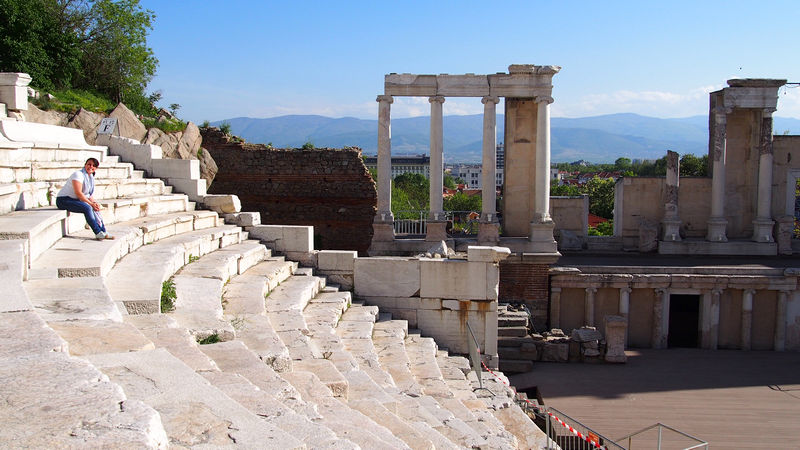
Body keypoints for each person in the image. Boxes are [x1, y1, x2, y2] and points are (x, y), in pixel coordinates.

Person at [56, 157, 113, 240]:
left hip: (74, 200)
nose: (91, 167)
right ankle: (97, 233)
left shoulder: (90, 178)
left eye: (94, 166)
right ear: (85, 165)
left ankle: (103, 231)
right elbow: (78, 193)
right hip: (63, 200)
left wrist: (94, 204)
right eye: (89, 164)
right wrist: (91, 204)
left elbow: (89, 195)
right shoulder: (78, 175)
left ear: (96, 168)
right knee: (87, 207)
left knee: (95, 208)